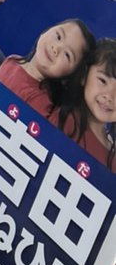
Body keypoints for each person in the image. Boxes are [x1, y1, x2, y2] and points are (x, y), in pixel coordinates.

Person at [0, 18, 94, 118]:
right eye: (58, 36)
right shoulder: (13, 60)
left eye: (67, 55)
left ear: (69, 75)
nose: (56, 48)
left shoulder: (41, 102)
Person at [55, 38, 116, 170]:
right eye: (103, 81)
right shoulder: (64, 120)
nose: (110, 97)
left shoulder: (113, 159)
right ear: (84, 75)